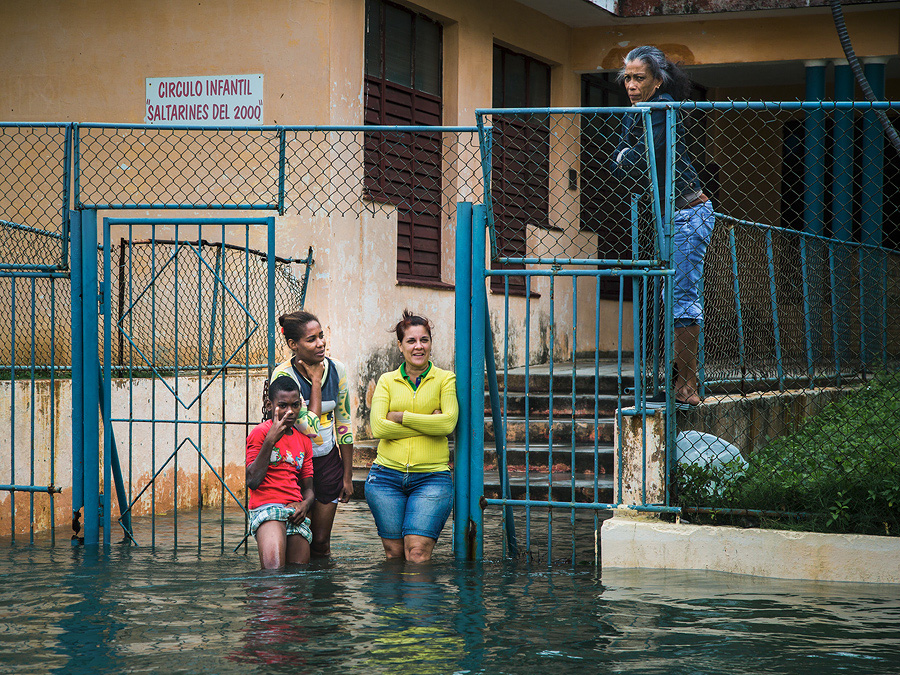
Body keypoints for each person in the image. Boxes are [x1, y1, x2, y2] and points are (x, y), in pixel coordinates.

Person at [613, 45, 715, 408]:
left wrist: (629, 157)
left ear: (658, 80)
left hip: (689, 213)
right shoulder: (637, 111)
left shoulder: (662, 106)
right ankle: (679, 379)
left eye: (639, 78)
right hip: (668, 215)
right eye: (628, 77)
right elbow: (622, 160)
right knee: (670, 300)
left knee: (682, 303)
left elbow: (642, 155)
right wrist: (629, 157)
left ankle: (687, 386)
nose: (631, 85)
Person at [365, 310, 458, 563]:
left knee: (417, 553)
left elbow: (448, 423)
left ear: (430, 342)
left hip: (431, 478)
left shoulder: (445, 379)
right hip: (385, 478)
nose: (419, 346)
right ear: (400, 345)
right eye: (411, 341)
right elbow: (379, 429)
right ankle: (395, 604)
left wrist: (401, 416)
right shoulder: (386, 381)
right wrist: (430, 422)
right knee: (394, 555)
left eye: (424, 340)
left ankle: (419, 604)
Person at [269, 310, 355, 559]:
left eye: (321, 336)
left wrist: (347, 476)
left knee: (320, 543)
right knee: (296, 542)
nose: (321, 343)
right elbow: (308, 428)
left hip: (327, 463)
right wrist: (316, 383)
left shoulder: (337, 369)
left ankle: (322, 598)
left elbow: (344, 423)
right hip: (293, 467)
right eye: (311, 339)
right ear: (293, 345)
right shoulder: (284, 376)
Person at [246, 376, 315, 569]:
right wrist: (270, 440)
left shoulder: (304, 440)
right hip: (267, 508)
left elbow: (308, 488)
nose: (290, 412)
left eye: (295, 405)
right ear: (270, 405)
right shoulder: (260, 433)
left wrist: (305, 504)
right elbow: (252, 481)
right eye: (283, 405)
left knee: (299, 579)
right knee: (273, 578)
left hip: (295, 510)